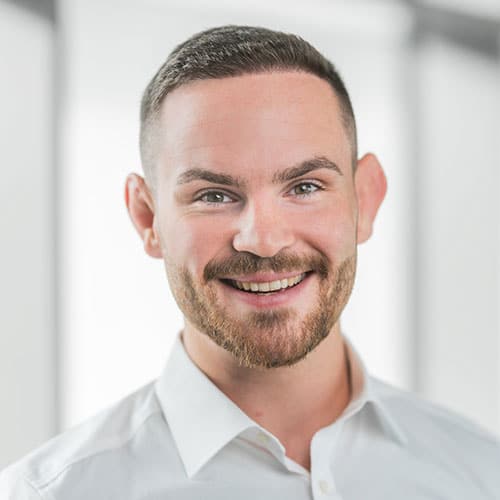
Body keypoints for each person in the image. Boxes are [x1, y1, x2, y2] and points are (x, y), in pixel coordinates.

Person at [1, 24, 499, 500]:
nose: (263, 240)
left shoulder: (481, 472)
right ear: (146, 215)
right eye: (214, 195)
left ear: (365, 201)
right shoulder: (50, 493)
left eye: (305, 187)